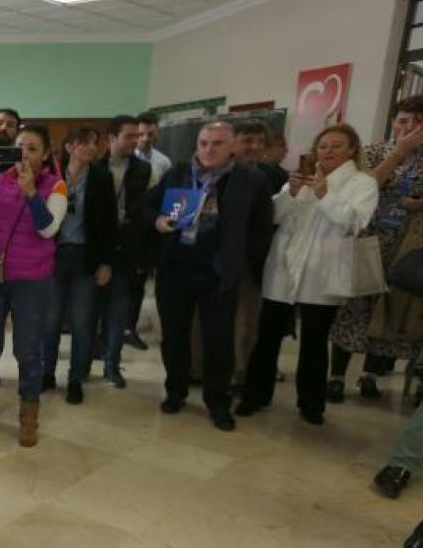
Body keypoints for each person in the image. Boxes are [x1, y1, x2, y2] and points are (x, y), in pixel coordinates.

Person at [236, 124, 379, 425]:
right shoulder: (299, 179)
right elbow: (273, 215)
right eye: (323, 146)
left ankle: (311, 405)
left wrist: (324, 194)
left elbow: (353, 223)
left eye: (336, 146)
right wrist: (294, 192)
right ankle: (255, 396)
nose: (327, 152)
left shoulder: (362, 183)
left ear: (352, 149)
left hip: (321, 272)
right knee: (267, 338)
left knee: (314, 341)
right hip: (284, 268)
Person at [147, 121, 273, 431]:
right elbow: (148, 206)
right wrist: (158, 220)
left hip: (218, 273)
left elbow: (261, 229)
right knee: (174, 335)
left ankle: (217, 400)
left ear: (232, 147)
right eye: (203, 143)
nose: (208, 149)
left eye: (217, 143)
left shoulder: (250, 180)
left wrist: (239, 263)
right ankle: (175, 390)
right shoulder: (178, 173)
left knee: (219, 339)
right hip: (175, 268)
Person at [0, 125, 68, 444]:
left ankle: (28, 418)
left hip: (31, 281)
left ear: (47, 154)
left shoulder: (56, 186)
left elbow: (48, 229)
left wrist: (32, 193)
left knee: (27, 349)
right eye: (21, 147)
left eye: (34, 148)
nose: (25, 154)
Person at [328, 96, 423, 401]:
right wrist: (398, 154)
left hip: (407, 246)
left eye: (417, 121)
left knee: (389, 310)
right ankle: (336, 376)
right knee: (353, 307)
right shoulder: (373, 152)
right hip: (368, 239)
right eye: (402, 120)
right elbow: (363, 186)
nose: (408, 127)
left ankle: (370, 375)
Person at [43, 127, 115, 404]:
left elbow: (109, 224)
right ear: (70, 147)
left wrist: (106, 262)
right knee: (50, 320)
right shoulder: (52, 175)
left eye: (94, 144)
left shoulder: (101, 178)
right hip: (55, 254)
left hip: (86, 255)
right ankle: (47, 373)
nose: (90, 149)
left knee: (83, 323)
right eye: (84, 144)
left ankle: (75, 379)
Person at [92, 114, 153, 389]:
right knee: (88, 312)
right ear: (112, 138)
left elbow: (146, 211)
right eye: (129, 135)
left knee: (118, 312)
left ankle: (112, 365)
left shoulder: (144, 170)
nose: (136, 141)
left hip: (126, 251)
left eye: (138, 135)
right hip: (95, 248)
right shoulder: (94, 167)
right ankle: (82, 363)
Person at [231, 119, 285, 387]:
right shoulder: (215, 171)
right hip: (215, 261)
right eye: (246, 140)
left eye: (259, 142)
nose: (253, 147)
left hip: (255, 262)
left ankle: (241, 376)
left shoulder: (275, 176)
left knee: (246, 324)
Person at [135, 111, 173, 182]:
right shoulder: (126, 160)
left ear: (157, 134)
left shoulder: (164, 162)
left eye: (150, 134)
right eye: (141, 134)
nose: (145, 139)